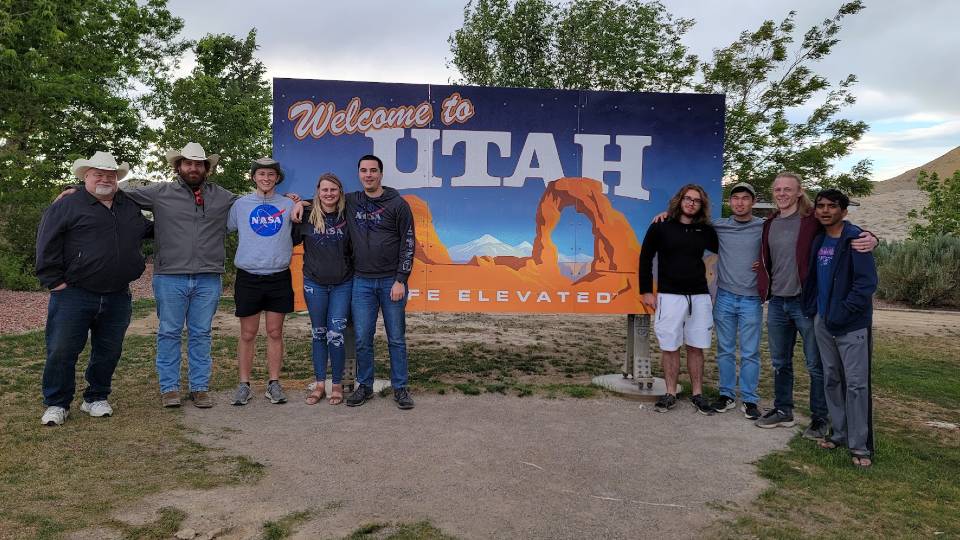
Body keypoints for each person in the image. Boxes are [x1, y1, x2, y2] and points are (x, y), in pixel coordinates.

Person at [36, 151, 153, 425]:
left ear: (117, 179)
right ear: (85, 177)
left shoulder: (127, 205)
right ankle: (57, 403)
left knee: (109, 350)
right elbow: (46, 242)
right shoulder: (68, 204)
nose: (104, 179)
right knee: (62, 349)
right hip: (73, 293)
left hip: (117, 294)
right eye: (98, 174)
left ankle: (96, 397)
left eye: (110, 175)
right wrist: (55, 282)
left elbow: (148, 230)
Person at [801, 189, 877, 468]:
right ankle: (839, 433)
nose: (824, 210)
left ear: (843, 211)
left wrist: (843, 312)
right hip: (823, 321)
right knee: (831, 378)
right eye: (820, 206)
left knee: (856, 384)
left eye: (831, 206)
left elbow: (866, 284)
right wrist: (815, 310)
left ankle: (860, 446)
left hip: (851, 324)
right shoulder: (819, 240)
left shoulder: (856, 240)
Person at [639, 184, 719, 415]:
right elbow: (645, 258)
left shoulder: (706, 230)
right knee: (670, 346)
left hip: (699, 296)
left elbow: (725, 251)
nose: (691, 203)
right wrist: (646, 290)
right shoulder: (660, 226)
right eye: (688, 198)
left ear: (701, 205)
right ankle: (670, 393)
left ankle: (697, 394)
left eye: (697, 200)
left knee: (696, 346)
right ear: (679, 200)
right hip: (669, 295)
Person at [344, 155, 416, 409]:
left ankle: (401, 388)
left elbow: (408, 243)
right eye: (363, 170)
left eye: (373, 171)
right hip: (361, 282)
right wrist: (296, 203)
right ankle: (365, 386)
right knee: (363, 338)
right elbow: (323, 200)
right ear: (359, 174)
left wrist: (401, 280)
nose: (368, 175)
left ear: (381, 174)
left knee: (396, 338)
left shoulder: (398, 204)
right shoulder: (351, 201)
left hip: (390, 283)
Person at [227, 158, 296, 406]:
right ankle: (244, 384)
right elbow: (226, 229)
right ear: (253, 177)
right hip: (248, 277)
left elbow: (307, 213)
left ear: (277, 178)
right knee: (247, 333)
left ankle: (274, 383)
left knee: (275, 332)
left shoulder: (288, 204)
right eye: (261, 174)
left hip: (278, 276)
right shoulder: (241, 205)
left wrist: (300, 203)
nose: (266, 178)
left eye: (271, 175)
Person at [294, 173, 353, 406]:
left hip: (343, 283)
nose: (329, 194)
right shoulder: (307, 215)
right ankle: (320, 384)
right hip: (314, 283)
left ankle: (336, 385)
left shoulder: (348, 214)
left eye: (333, 190)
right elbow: (289, 239)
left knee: (336, 334)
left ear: (340, 192)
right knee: (318, 333)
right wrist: (298, 203)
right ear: (318, 191)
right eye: (324, 190)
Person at [708, 183, 765, 419]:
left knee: (750, 352)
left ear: (753, 202)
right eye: (735, 198)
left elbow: (783, 247)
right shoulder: (719, 226)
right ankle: (727, 395)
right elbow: (688, 223)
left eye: (745, 198)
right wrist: (665, 215)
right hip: (725, 297)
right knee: (725, 350)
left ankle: (750, 400)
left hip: (752, 299)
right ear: (729, 202)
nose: (740, 203)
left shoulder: (765, 227)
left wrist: (764, 263)